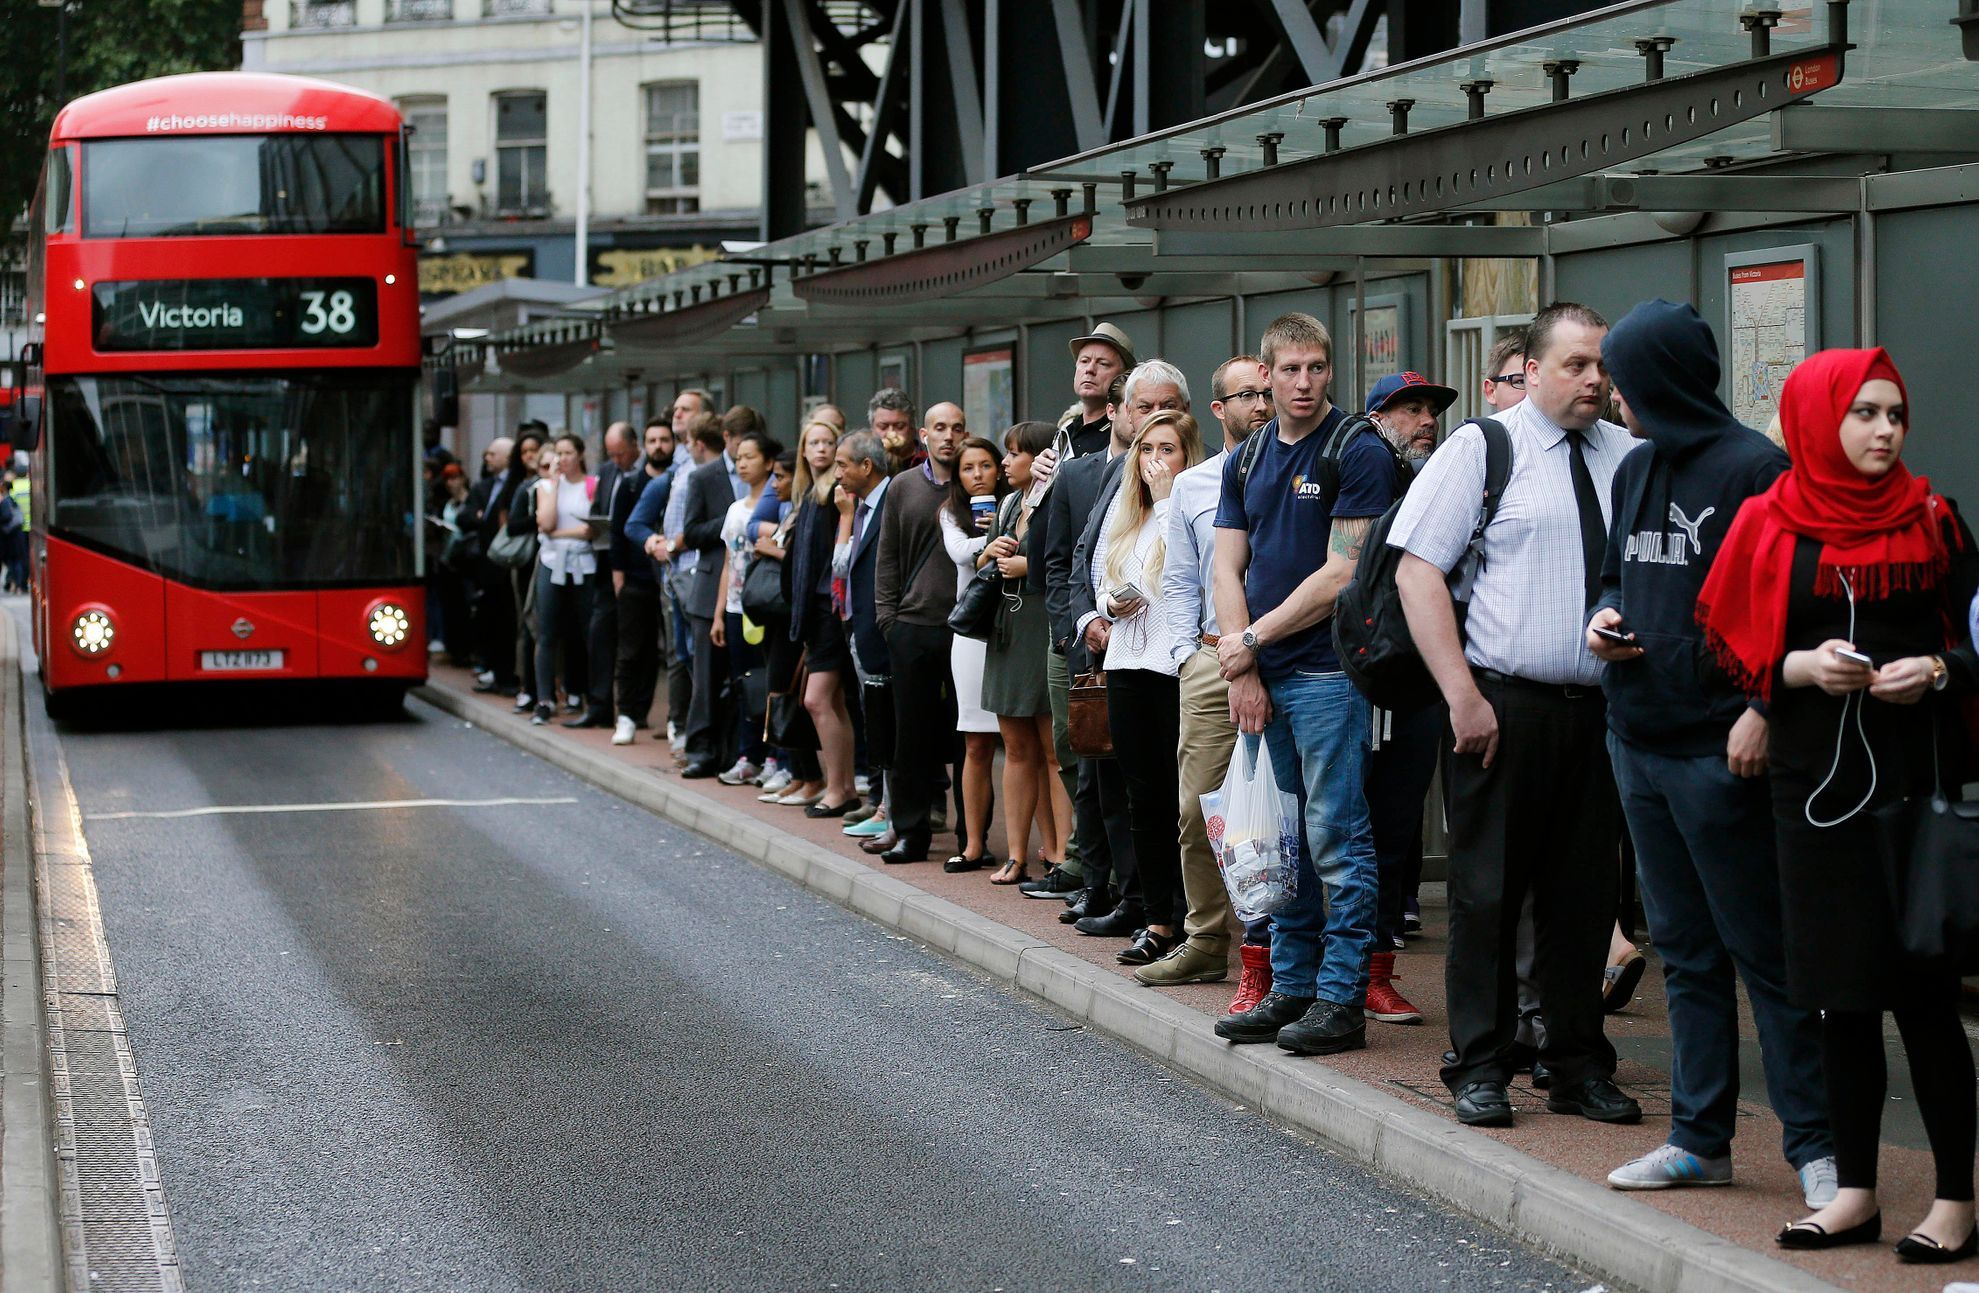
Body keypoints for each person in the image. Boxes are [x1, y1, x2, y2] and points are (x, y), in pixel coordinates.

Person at [1696, 347, 1979, 1263]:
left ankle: (1954, 1199)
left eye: (1894, 414)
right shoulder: (1769, 522)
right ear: (1820, 420)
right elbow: (1727, 651)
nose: (1883, 430)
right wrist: (1800, 669)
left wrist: (1934, 670)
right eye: (1862, 413)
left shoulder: (1934, 519)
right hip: (1811, 793)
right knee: (1838, 1000)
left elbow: (1977, 646)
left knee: (1925, 1001)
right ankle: (1853, 1189)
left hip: (1912, 791)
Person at [1587, 301, 1837, 1206]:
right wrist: (1602, 620)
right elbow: (1618, 574)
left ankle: (1818, 1146)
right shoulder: (1635, 466)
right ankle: (1699, 1139)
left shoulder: (1754, 471)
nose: (1610, 391)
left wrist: (1763, 706)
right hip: (1637, 738)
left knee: (1762, 951)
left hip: (1716, 748)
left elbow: (1797, 605)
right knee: (1685, 953)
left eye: (1621, 374)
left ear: (1660, 377)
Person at [1390, 302, 1640, 1129]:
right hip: (1501, 705)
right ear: (1530, 371)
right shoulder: (1483, 448)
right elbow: (1417, 571)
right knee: (1487, 894)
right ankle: (1481, 1063)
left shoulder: (1627, 457)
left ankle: (1573, 1063)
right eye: (1574, 365)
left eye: (1600, 366)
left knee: (1581, 896)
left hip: (1599, 712)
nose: (1592, 380)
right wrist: (1461, 693)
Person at [1210, 314, 1391, 1058]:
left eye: (1316, 368)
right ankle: (1290, 985)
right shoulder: (1245, 456)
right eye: (1288, 370)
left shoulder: (1359, 449)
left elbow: (1340, 573)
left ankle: (1339, 996)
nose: (1303, 383)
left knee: (1336, 837)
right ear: (1265, 373)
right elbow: (1226, 565)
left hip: (1327, 673)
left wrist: (1250, 639)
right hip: (1263, 675)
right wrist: (1244, 665)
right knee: (1280, 839)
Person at [1146, 355, 1271, 1001]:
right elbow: (1177, 577)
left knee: (1285, 817)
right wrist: (1183, 657)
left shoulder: (1295, 470)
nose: (1262, 402)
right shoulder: (1194, 483)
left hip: (1285, 660)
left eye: (1266, 391)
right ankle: (1204, 941)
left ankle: (1277, 949)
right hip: (1207, 659)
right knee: (1196, 812)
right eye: (1246, 394)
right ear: (1219, 409)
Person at [1356, 370, 1462, 1030]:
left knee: (1397, 824)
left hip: (1426, 675)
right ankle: (1360, 970)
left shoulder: (1439, 479)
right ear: (1377, 417)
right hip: (1375, 674)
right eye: (1409, 408)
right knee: (1367, 825)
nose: (1425, 418)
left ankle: (1378, 966)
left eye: (1430, 408)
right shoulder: (1368, 467)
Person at [1018, 323, 1137, 905]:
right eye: (1083, 359)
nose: (1088, 368)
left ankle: (1108, 875)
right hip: (1062, 612)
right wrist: (1036, 484)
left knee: (1106, 753)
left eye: (1102, 361)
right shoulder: (1066, 433)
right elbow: (1050, 535)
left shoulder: (1126, 444)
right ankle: (1083, 864)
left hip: (1117, 618)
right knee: (1071, 742)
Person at [1089, 409, 1204, 966]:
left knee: (1185, 800)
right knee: (1141, 795)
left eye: (1168, 450)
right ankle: (1158, 918)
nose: (1155, 461)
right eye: (1147, 450)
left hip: (1174, 668)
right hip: (1127, 662)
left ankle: (1194, 918)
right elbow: (1103, 583)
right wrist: (1110, 605)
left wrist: (1166, 498)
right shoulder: (1128, 515)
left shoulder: (1186, 507)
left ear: (1188, 457)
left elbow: (1189, 567)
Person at [1042, 372, 1140, 930]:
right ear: (1116, 411)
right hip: (1085, 642)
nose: (1145, 416)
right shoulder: (1078, 473)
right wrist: (1072, 627)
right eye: (1136, 406)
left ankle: (1122, 890)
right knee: (1087, 767)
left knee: (1123, 777)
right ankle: (1094, 882)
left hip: (1144, 648)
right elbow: (1058, 558)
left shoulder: (1172, 474)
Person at [870, 401, 966, 863]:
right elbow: (886, 557)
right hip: (910, 626)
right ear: (923, 436)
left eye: (958, 428)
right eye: (940, 428)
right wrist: (888, 619)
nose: (949, 436)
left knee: (969, 737)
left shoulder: (979, 484)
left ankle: (972, 836)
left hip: (966, 630)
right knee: (910, 736)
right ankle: (911, 832)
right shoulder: (903, 487)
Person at [981, 421, 1072, 887]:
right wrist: (990, 553)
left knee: (1054, 748)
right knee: (1015, 747)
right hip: (1008, 627)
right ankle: (1018, 855)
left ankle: (1060, 854)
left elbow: (1069, 558)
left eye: (1015, 453)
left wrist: (1026, 565)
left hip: (1043, 623)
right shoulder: (1008, 503)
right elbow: (983, 565)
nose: (1006, 462)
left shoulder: (1057, 499)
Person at [938, 434, 1009, 873]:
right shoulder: (951, 512)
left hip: (1013, 625)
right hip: (971, 631)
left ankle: (1044, 848)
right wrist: (989, 543)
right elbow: (960, 554)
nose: (977, 475)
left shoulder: (1016, 501)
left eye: (985, 465)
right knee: (975, 740)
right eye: (968, 468)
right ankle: (974, 843)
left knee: (1026, 744)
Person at [785, 420, 862, 819]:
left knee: (816, 699)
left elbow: (837, 557)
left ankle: (837, 788)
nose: (820, 449)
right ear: (802, 449)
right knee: (830, 701)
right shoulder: (808, 494)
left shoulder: (836, 494)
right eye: (812, 442)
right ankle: (843, 786)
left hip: (829, 609)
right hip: (814, 611)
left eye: (828, 442)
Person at [675, 414, 750, 777]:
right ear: (726, 438)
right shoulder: (703, 476)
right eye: (738, 440)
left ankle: (738, 750)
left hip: (749, 587)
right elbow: (689, 532)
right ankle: (701, 749)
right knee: (706, 676)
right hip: (709, 588)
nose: (743, 450)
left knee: (744, 676)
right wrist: (732, 520)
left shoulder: (767, 476)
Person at [710, 431, 784, 785]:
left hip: (768, 605)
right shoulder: (735, 510)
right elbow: (728, 563)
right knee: (745, 682)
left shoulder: (780, 508)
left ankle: (775, 757)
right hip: (738, 608)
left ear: (769, 463)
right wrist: (719, 613)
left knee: (772, 682)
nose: (741, 463)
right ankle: (747, 754)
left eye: (750, 457)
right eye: (738, 457)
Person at [832, 432, 894, 838]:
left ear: (866, 467)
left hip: (884, 628)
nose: (837, 473)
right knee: (876, 716)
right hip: (860, 625)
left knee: (888, 721)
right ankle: (883, 802)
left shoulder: (891, 500)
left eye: (842, 464)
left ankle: (892, 807)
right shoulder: (859, 507)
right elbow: (841, 566)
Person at [529, 433, 601, 726]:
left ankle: (582, 693)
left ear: (580, 455)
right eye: (558, 453)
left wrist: (558, 534)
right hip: (552, 562)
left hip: (583, 563)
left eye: (569, 452)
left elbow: (590, 531)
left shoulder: (592, 485)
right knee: (547, 631)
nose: (563, 458)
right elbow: (545, 523)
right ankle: (545, 698)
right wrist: (556, 484)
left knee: (585, 631)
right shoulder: (545, 486)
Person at [606, 420, 667, 745]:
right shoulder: (631, 484)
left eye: (664, 440)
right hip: (636, 578)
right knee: (631, 650)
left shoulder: (680, 480)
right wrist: (619, 576)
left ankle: (670, 719)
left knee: (669, 652)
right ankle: (628, 714)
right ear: (645, 445)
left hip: (670, 579)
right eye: (653, 439)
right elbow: (618, 531)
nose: (659, 445)